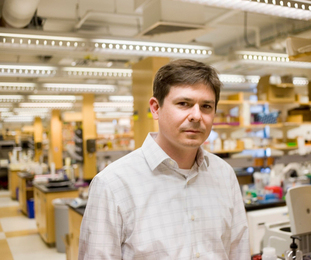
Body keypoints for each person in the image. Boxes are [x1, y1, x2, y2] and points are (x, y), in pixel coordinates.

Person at [79, 59, 250, 259]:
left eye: (206, 106)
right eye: (183, 104)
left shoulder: (224, 174)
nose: (196, 116)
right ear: (155, 108)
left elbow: (239, 250)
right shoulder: (112, 185)